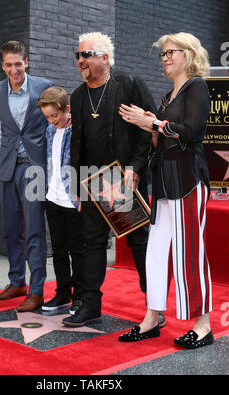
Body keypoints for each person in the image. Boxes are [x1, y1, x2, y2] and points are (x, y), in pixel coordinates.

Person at [118, 32, 213, 349]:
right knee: (155, 253)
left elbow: (191, 132)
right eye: (162, 54)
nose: (165, 58)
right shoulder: (169, 95)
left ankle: (203, 326)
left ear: (189, 54)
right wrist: (149, 125)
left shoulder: (196, 86)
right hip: (162, 182)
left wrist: (154, 123)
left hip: (187, 180)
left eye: (170, 52)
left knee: (190, 253)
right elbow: (161, 140)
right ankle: (151, 318)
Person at [62, 32, 156, 328]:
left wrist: (136, 167)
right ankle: (90, 304)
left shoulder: (128, 84)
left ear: (104, 57)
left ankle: (154, 308)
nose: (80, 61)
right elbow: (77, 142)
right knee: (92, 244)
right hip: (92, 181)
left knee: (138, 242)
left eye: (86, 54)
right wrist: (77, 184)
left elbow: (147, 128)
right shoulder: (78, 96)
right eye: (78, 56)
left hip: (122, 180)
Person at [0, 40, 53, 312]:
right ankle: (17, 282)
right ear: (2, 66)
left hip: (35, 169)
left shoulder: (44, 87)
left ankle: (36, 291)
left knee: (34, 229)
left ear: (27, 61)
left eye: (18, 63)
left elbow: (56, 125)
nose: (14, 69)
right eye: (8, 65)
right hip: (7, 169)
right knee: (11, 229)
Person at [37, 86, 84, 314]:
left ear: (67, 110)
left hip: (73, 201)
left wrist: (82, 194)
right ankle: (63, 293)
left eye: (54, 115)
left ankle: (81, 296)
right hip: (52, 197)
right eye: (47, 116)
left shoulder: (76, 131)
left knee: (78, 251)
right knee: (58, 250)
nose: (51, 120)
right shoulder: (49, 130)